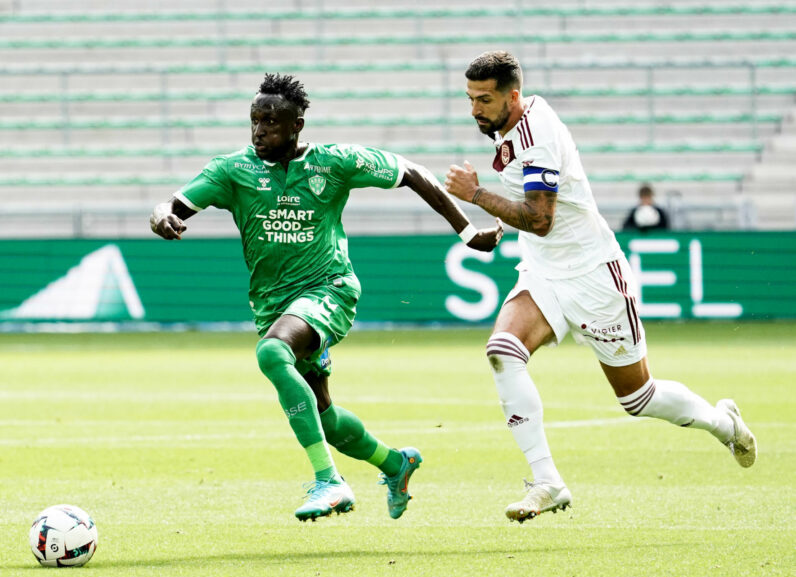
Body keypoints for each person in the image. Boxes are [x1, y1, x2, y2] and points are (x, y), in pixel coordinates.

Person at [150, 73, 502, 521]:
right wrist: (162, 217)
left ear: (296, 125)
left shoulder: (334, 162)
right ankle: (396, 464)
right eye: (255, 120)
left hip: (328, 289)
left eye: (271, 122)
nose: (259, 131)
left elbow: (411, 172)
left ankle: (329, 481)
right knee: (325, 418)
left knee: (272, 353)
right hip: (272, 304)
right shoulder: (232, 170)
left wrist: (468, 232)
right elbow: (170, 205)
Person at [444, 51, 756, 523]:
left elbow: (542, 219)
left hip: (593, 275)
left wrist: (476, 195)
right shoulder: (509, 123)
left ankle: (722, 422)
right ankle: (547, 482)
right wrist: (497, 223)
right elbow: (537, 209)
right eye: (469, 98)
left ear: (513, 96)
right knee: (503, 352)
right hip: (544, 272)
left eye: (483, 99)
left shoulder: (536, 136)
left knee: (639, 398)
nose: (474, 109)